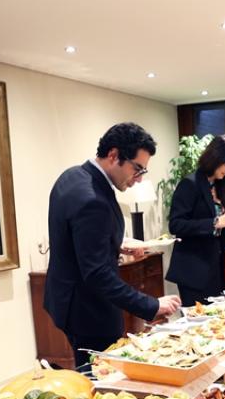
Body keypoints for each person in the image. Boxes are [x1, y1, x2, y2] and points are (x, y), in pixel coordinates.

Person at [44, 122, 181, 370]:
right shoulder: (92, 199)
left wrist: (116, 243)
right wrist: (151, 305)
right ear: (114, 155)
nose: (139, 179)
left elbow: (77, 237)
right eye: (137, 169)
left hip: (66, 299)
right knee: (102, 377)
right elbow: (97, 273)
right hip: (88, 310)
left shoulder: (72, 176)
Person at [166, 134, 225, 306]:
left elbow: (221, 230)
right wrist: (214, 222)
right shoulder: (190, 184)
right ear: (215, 158)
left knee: (216, 315)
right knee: (198, 318)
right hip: (193, 268)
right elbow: (176, 225)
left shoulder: (220, 185)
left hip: (215, 266)